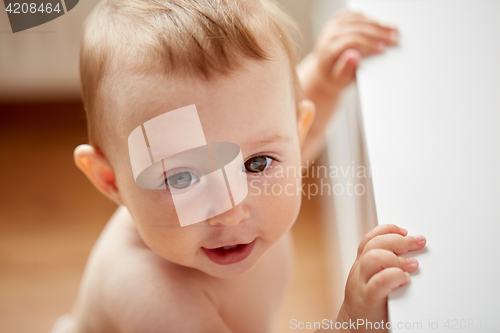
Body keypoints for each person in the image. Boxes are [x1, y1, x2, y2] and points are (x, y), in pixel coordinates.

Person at [55, 0, 426, 331]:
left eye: (255, 163)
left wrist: (326, 81)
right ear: (110, 180)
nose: (230, 211)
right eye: (182, 178)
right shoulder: (154, 302)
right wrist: (352, 323)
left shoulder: (264, 156)